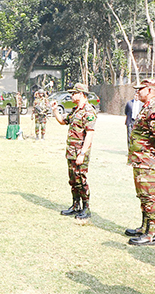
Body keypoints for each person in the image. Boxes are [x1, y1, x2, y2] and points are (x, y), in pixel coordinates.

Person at [125, 79, 155, 246]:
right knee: (143, 196)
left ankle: (151, 235)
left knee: (149, 197)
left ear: (151, 90)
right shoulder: (147, 107)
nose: (137, 91)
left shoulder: (154, 108)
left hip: (148, 161)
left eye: (141, 89)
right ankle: (144, 227)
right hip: (141, 160)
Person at [50, 83, 97, 220]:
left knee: (81, 180)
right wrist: (55, 110)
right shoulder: (76, 110)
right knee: (73, 180)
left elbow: (89, 134)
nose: (71, 96)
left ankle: (86, 208)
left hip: (80, 152)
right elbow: (63, 121)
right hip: (71, 151)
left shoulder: (88, 111)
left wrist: (82, 153)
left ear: (81, 94)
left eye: (73, 93)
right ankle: (75, 206)